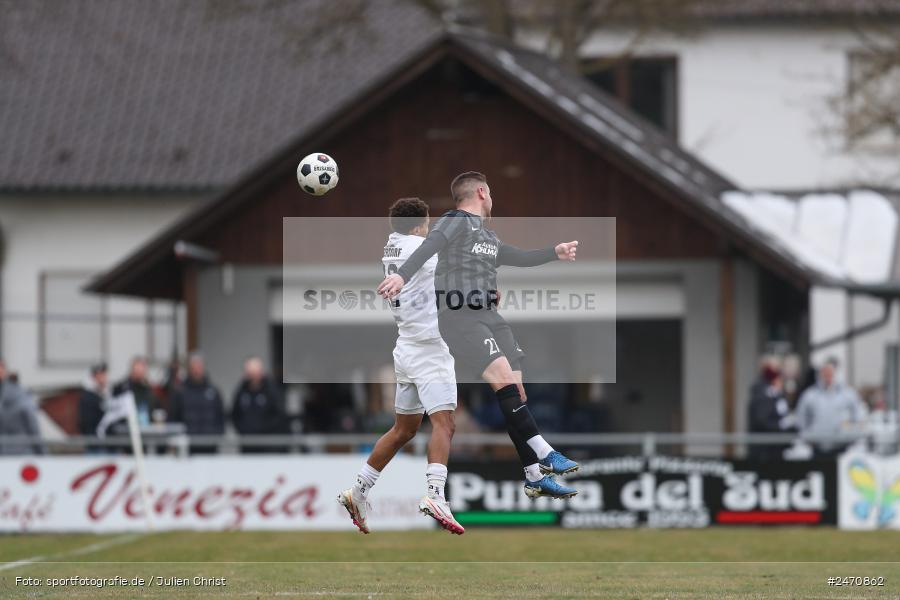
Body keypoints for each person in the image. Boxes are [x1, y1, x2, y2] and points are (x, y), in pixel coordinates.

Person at [378, 171, 579, 499]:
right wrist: (401, 276)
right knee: (502, 380)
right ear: (482, 193)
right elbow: (430, 246)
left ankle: (532, 475)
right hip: (461, 317)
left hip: (490, 316)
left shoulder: (487, 236)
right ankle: (545, 452)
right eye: (491, 193)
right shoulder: (454, 221)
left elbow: (518, 257)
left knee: (517, 392)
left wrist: (553, 252)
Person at [340, 198, 464, 535]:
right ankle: (436, 495)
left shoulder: (391, 247)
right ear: (418, 224)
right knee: (445, 423)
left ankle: (359, 491)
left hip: (406, 348)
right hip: (428, 349)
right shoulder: (418, 246)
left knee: (404, 430)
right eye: (426, 221)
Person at [795, 357, 867, 459]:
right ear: (820, 375)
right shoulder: (809, 395)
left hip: (842, 448)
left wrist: (853, 436)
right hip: (817, 448)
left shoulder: (847, 394)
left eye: (830, 373)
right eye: (825, 373)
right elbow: (801, 419)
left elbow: (858, 416)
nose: (828, 376)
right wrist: (808, 437)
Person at [168, 352, 225, 454]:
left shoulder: (213, 391)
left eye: (199, 366)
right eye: (193, 367)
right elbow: (173, 418)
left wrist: (217, 435)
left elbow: (221, 417)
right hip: (186, 449)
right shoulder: (180, 392)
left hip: (210, 447)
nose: (196, 370)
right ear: (189, 369)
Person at [231, 357, 287, 452]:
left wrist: (263, 429)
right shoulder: (241, 391)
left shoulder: (272, 391)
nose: (252, 376)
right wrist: (243, 430)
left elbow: (279, 415)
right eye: (249, 373)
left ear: (261, 372)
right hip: (247, 444)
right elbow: (235, 414)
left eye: (254, 372)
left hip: (269, 445)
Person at [747, 363, 795, 461]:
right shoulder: (763, 397)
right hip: (763, 449)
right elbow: (762, 420)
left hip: (775, 447)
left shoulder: (776, 396)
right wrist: (780, 425)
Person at [0, 359, 45, 456]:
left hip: (18, 454)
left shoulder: (20, 396)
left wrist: (41, 452)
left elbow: (33, 427)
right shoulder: (21, 395)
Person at [112, 356, 157, 426]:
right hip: (126, 428)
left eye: (141, 370)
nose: (139, 373)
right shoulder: (121, 388)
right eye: (137, 370)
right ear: (132, 370)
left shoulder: (149, 389)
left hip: (145, 426)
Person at [78, 363, 109, 453]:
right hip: (96, 445)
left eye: (104, 375)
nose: (103, 378)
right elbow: (85, 423)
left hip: (106, 443)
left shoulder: (105, 394)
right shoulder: (88, 396)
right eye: (100, 375)